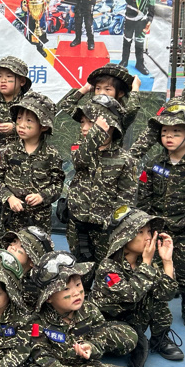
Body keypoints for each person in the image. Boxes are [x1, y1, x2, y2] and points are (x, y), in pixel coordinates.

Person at [137, 103, 185, 330]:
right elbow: (144, 196)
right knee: (152, 266)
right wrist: (143, 226)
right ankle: (152, 305)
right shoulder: (154, 163)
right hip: (157, 228)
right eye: (164, 132)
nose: (168, 137)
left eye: (176, 132)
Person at [93, 206, 182, 367]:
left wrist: (167, 261)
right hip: (110, 321)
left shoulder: (144, 263)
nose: (148, 237)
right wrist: (147, 264)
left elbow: (165, 294)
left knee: (157, 299)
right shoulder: (108, 267)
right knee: (128, 339)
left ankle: (159, 339)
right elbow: (129, 295)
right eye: (140, 232)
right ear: (124, 237)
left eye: (149, 231)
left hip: (133, 318)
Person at [60, 94, 136, 282]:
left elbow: (125, 198)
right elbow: (80, 161)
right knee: (80, 273)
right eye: (82, 122)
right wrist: (96, 133)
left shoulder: (124, 160)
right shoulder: (80, 149)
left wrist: (113, 225)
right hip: (78, 225)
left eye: (91, 123)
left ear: (111, 126)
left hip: (105, 230)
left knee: (107, 275)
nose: (85, 128)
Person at [0, 91, 65, 238]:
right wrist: (9, 198)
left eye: (29, 121)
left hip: (39, 222)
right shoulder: (6, 151)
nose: (22, 125)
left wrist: (42, 196)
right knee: (9, 250)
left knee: (37, 251)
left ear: (43, 126)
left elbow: (57, 185)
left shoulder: (52, 155)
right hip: (10, 220)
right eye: (19, 118)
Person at [120, 0, 163, 76]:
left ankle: (139, 63)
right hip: (129, 18)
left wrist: (150, 19)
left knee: (139, 42)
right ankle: (124, 61)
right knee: (127, 39)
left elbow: (152, 5)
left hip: (142, 20)